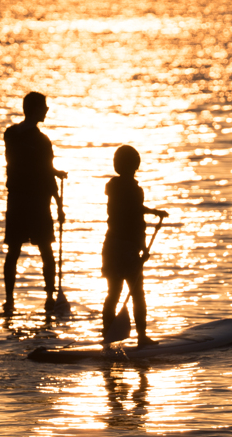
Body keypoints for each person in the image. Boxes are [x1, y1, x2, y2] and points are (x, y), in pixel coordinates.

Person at [2, 92, 67, 315]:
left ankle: (9, 301)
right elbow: (45, 174)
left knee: (13, 250)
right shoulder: (42, 141)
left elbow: (25, 165)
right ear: (36, 110)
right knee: (46, 250)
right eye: (44, 107)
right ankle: (50, 298)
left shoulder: (11, 135)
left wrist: (54, 171)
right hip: (38, 203)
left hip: (17, 201)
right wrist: (59, 205)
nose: (47, 110)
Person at [101, 145, 168, 346]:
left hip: (111, 247)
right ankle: (141, 336)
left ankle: (107, 335)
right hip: (127, 249)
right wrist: (142, 248)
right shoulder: (134, 190)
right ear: (135, 165)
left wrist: (153, 212)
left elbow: (132, 210)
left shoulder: (113, 187)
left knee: (113, 293)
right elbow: (133, 217)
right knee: (137, 294)